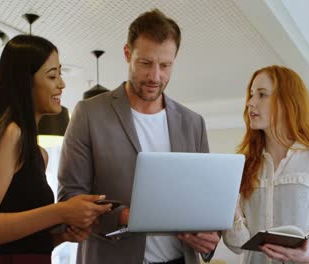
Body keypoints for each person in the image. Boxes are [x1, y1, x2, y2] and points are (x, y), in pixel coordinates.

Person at [57, 8, 220, 264]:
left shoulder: (193, 123)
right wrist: (126, 216)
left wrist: (208, 237)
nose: (155, 76)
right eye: (145, 63)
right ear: (127, 54)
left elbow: (202, 200)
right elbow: (70, 197)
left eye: (165, 65)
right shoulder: (89, 114)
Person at [0, 35, 112, 264]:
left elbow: (21, 243)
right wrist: (61, 211)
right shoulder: (9, 135)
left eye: (60, 74)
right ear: (26, 82)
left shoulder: (39, 154)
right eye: (52, 75)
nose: (61, 84)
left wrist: (60, 236)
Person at [223, 65, 309, 263]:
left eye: (262, 95)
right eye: (252, 95)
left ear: (286, 102)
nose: (251, 103)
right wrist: (233, 211)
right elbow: (238, 245)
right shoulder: (242, 166)